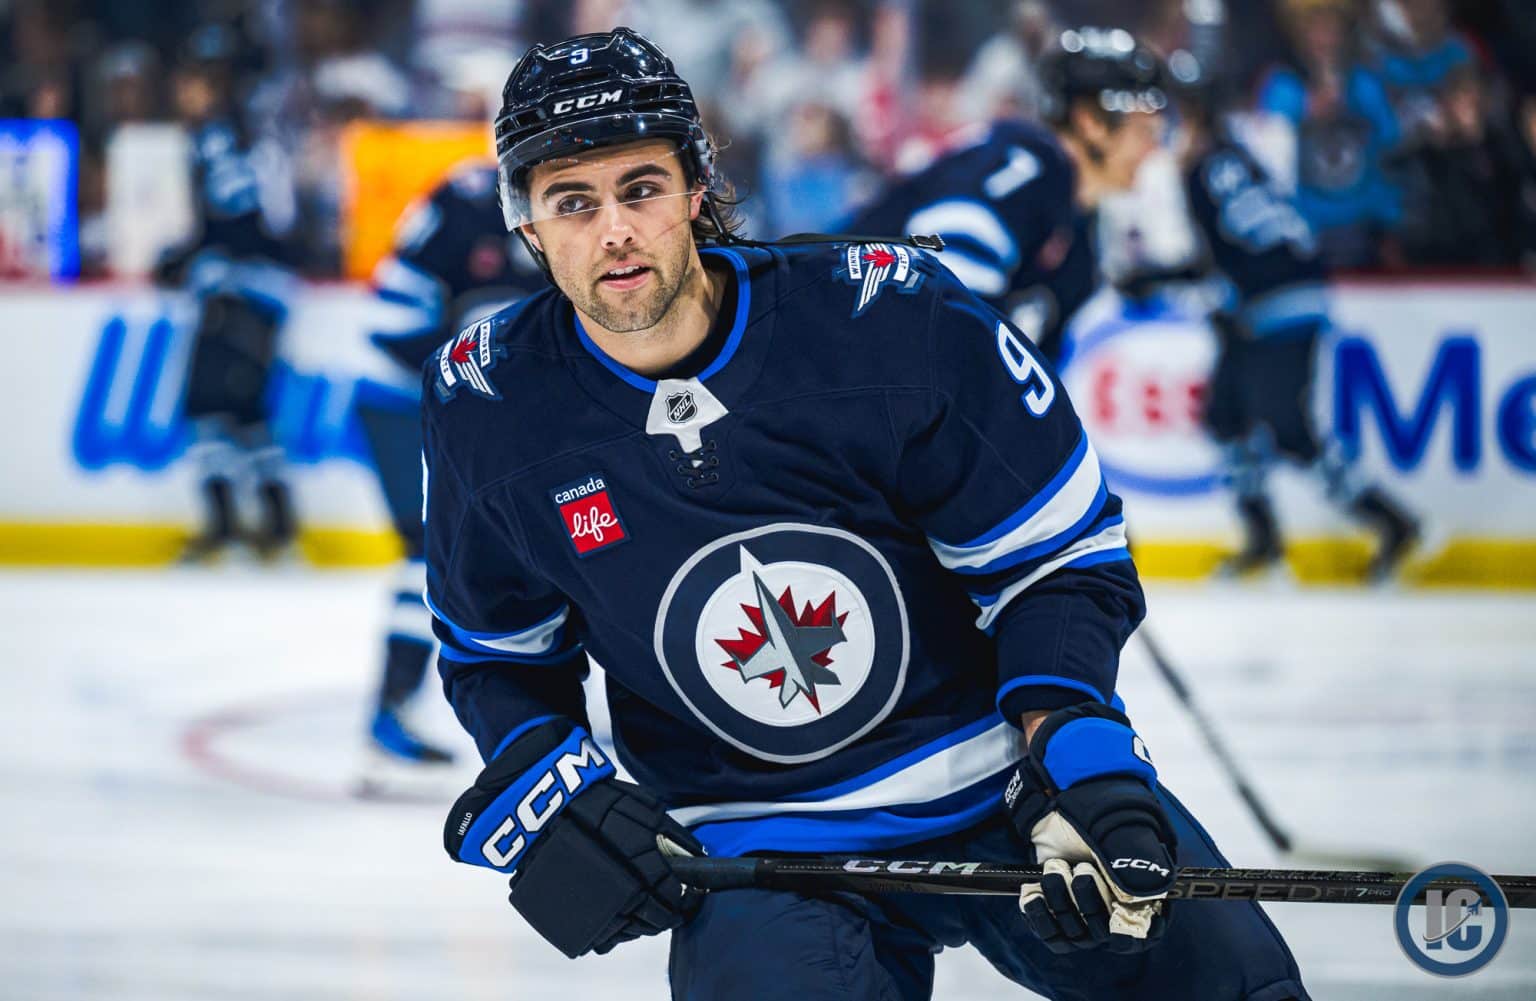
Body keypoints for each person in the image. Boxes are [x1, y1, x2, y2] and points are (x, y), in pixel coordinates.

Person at [426, 27, 1309, 1000]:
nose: (614, 232)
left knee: (1243, 989)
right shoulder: (489, 405)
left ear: (697, 186)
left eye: (641, 188)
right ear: (527, 224)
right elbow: (496, 654)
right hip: (759, 843)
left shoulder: (888, 316)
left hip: (1008, 782)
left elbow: (1055, 559)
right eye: (573, 202)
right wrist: (558, 786)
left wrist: (1083, 753)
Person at [1175, 67, 1420, 580]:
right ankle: (1262, 537)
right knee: (1225, 415)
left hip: (1273, 303)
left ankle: (1392, 521)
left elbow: (1216, 259)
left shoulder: (1200, 171)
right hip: (1281, 296)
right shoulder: (1238, 156)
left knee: (1287, 428)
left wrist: (1153, 278)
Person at [356, 162, 546, 776]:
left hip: (450, 393)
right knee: (431, 550)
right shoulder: (474, 203)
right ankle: (390, 709)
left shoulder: (549, 201)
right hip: (403, 398)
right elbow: (400, 329)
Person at [842, 27, 1166, 369]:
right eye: (1144, 131)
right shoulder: (1023, 164)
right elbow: (937, 295)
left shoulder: (1078, 232)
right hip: (830, 345)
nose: (1153, 149)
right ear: (1090, 122)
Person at [156, 25, 299, 561]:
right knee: (245, 411)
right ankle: (274, 525)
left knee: (209, 408)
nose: (181, 89)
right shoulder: (254, 128)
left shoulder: (220, 136)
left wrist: (189, 256)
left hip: (238, 290)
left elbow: (239, 219)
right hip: (260, 290)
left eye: (190, 79)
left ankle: (229, 526)